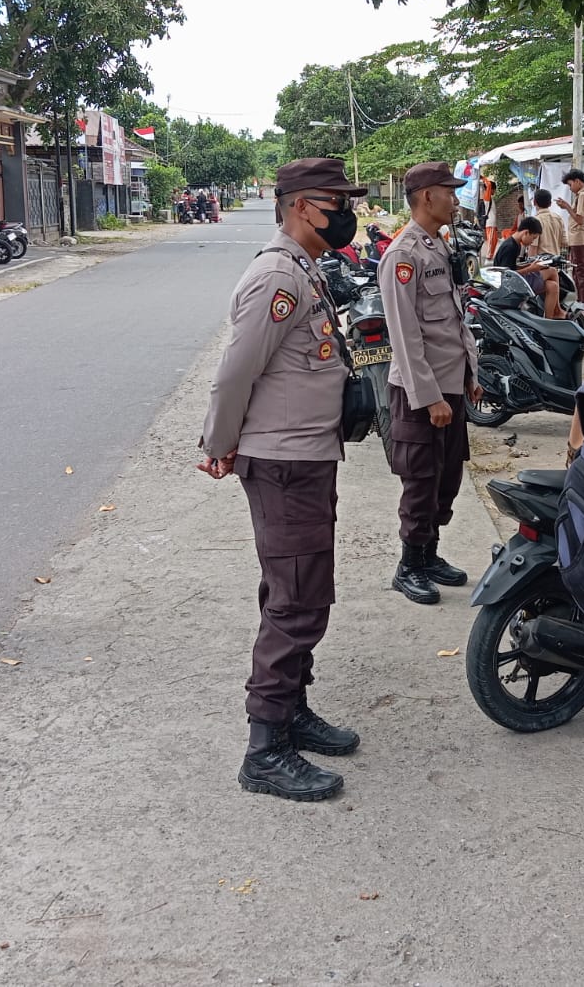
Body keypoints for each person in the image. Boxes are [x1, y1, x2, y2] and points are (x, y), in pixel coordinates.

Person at [199, 157, 368, 803]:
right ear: (300, 205)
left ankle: (292, 710)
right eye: (335, 201)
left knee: (302, 590)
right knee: (296, 599)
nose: (345, 212)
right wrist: (218, 443)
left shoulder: (303, 268)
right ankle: (264, 747)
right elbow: (235, 373)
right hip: (284, 462)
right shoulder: (277, 274)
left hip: (307, 457)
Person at [378, 161, 482, 606]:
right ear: (426, 197)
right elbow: (406, 335)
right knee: (421, 480)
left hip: (450, 387)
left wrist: (469, 375)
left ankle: (429, 554)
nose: (455, 199)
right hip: (423, 394)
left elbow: (453, 321)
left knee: (448, 477)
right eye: (449, 191)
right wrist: (431, 397)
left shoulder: (436, 246)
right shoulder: (403, 255)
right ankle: (409, 565)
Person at [492, 216, 563, 319]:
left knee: (552, 286)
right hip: (511, 285)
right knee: (552, 271)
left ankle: (549, 320)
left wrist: (529, 265)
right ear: (526, 232)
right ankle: (557, 310)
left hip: (515, 280)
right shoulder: (510, 247)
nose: (532, 242)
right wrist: (531, 269)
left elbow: (511, 267)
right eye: (533, 238)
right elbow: (507, 275)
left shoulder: (515, 244)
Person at [556, 167, 584, 303]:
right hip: (577, 239)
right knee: (577, 271)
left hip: (580, 238)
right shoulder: (582, 195)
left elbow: (579, 219)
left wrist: (567, 206)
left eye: (570, 184)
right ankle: (580, 300)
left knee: (581, 272)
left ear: (578, 181)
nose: (570, 188)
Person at [532, 187, 566, 256]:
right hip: (556, 261)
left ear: (534, 202)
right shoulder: (558, 218)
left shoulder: (535, 221)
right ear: (550, 203)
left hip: (540, 263)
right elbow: (564, 242)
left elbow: (533, 248)